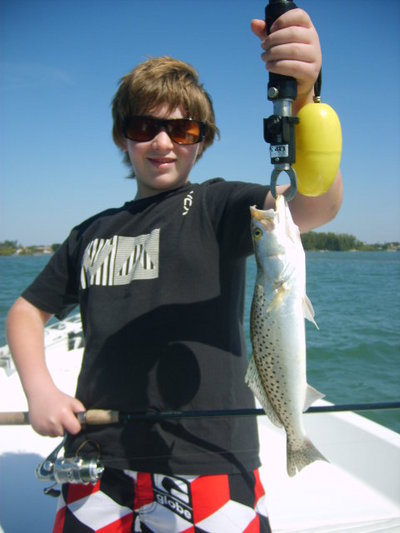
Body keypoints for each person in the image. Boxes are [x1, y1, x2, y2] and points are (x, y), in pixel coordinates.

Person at [6, 8, 342, 533]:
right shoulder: (90, 233)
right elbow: (28, 310)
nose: (163, 143)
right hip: (97, 462)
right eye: (145, 127)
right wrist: (39, 389)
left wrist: (305, 96)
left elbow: (315, 205)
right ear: (123, 137)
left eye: (181, 129)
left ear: (202, 139)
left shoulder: (219, 207)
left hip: (208, 458)